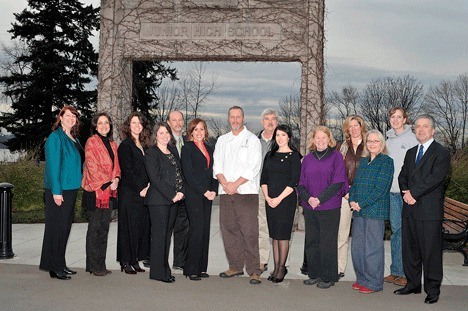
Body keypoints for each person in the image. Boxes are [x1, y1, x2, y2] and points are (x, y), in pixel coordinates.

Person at [394, 114, 451, 304]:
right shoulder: (411, 152)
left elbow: (435, 178)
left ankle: (432, 290)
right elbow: (403, 176)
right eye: (418, 126)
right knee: (410, 250)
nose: (421, 129)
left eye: (425, 126)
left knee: (430, 253)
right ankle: (412, 284)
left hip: (428, 211)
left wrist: (413, 194)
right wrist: (405, 193)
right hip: (409, 209)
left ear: (433, 130)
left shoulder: (441, 152)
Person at [213, 106, 263, 285]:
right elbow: (217, 165)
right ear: (228, 119)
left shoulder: (252, 140)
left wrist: (235, 184)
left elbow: (254, 166)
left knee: (249, 232)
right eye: (232, 117)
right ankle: (235, 266)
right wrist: (225, 183)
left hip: (246, 192)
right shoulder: (222, 140)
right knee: (228, 230)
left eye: (238, 117)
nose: (235, 120)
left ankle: (254, 270)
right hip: (226, 192)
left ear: (243, 119)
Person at [298, 125, 348, 289]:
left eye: (323, 138)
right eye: (317, 138)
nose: (320, 140)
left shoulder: (336, 157)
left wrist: (319, 199)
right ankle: (314, 273)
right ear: (313, 140)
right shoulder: (307, 159)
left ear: (329, 139)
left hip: (329, 206)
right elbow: (301, 184)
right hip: (310, 207)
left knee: (327, 242)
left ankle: (328, 276)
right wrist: (309, 199)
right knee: (312, 241)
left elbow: (338, 182)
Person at [40, 106, 83, 280]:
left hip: (71, 188)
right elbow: (53, 166)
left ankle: (60, 263)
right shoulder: (55, 138)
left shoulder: (74, 138)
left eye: (74, 116)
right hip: (58, 190)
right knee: (56, 228)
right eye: (68, 115)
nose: (71, 118)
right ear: (61, 117)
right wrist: (56, 192)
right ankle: (54, 266)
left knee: (64, 228)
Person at [349, 129, 394, 294]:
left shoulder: (386, 162)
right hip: (359, 211)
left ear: (381, 144)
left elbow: (381, 189)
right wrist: (352, 200)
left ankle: (374, 283)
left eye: (376, 141)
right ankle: (362, 279)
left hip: (374, 211)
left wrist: (362, 203)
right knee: (358, 247)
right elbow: (355, 184)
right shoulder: (363, 161)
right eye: (370, 141)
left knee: (373, 248)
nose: (372, 144)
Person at [260, 124, 301, 283]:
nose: (280, 138)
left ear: (289, 137)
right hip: (270, 200)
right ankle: (276, 267)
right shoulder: (269, 155)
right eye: (278, 135)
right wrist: (268, 197)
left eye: (283, 135)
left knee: (283, 236)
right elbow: (263, 179)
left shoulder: (295, 156)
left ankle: (281, 269)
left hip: (285, 201)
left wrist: (278, 199)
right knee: (274, 236)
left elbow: (294, 181)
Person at [145, 122, 185, 283]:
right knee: (159, 236)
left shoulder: (173, 152)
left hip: (174, 200)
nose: (164, 135)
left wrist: (182, 191)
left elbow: (179, 174)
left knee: (167, 236)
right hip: (159, 201)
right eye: (161, 133)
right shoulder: (151, 153)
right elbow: (155, 179)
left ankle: (162, 269)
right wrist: (172, 195)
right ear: (155, 136)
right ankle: (159, 272)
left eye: (166, 132)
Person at [82, 112, 121, 276]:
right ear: (95, 126)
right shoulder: (91, 142)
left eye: (107, 123)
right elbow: (92, 166)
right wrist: (108, 182)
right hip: (95, 192)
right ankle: (93, 266)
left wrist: (117, 178)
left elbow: (117, 165)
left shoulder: (112, 144)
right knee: (95, 230)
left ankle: (100, 265)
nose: (104, 125)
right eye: (101, 123)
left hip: (109, 192)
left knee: (104, 229)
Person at [181, 118, 218, 281]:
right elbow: (188, 174)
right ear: (190, 132)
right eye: (195, 129)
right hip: (194, 194)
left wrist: (214, 191)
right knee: (196, 230)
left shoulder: (210, 149)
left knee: (204, 230)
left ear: (205, 131)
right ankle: (191, 269)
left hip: (208, 195)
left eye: (201, 129)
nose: (198, 132)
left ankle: (202, 267)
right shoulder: (187, 148)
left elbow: (214, 172)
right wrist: (204, 191)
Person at [384, 107, 418, 286]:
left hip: (405, 193)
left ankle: (407, 273)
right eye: (392, 117)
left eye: (399, 117)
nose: (395, 120)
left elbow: (417, 166)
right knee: (397, 232)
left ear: (405, 119)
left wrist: (412, 190)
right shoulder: (388, 139)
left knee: (406, 232)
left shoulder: (412, 138)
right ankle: (396, 270)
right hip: (391, 193)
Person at [117, 112, 150, 274]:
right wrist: (140, 189)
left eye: (140, 123)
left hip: (144, 193)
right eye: (134, 123)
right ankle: (125, 261)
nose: (137, 125)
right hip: (130, 193)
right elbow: (127, 171)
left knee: (139, 228)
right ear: (128, 126)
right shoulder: (125, 145)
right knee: (127, 228)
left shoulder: (144, 146)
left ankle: (135, 259)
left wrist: (149, 186)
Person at [336, 115, 367, 278]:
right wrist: (346, 193)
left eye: (356, 125)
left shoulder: (369, 146)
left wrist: (361, 196)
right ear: (347, 129)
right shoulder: (341, 147)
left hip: (363, 197)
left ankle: (363, 270)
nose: (353, 129)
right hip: (344, 195)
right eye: (350, 126)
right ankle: (340, 267)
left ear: (361, 127)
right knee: (342, 233)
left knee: (363, 235)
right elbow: (337, 172)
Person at [167, 110, 189, 271]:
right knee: (166, 228)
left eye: (180, 120)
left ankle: (179, 261)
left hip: (185, 192)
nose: (178, 123)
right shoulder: (164, 141)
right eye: (174, 120)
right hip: (169, 193)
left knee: (182, 227)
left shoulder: (188, 141)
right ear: (169, 123)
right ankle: (158, 261)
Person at [257, 108, 278, 272]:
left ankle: (280, 262)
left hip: (278, 190)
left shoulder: (282, 141)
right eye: (267, 119)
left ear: (276, 122)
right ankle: (262, 260)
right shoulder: (253, 141)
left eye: (273, 119)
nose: (270, 122)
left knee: (278, 226)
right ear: (262, 122)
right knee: (261, 224)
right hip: (258, 188)